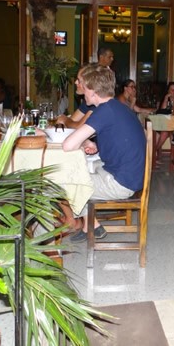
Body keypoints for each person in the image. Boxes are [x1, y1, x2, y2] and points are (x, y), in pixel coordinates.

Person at [62, 64, 146, 243]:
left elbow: (68, 145)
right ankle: (90, 224)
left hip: (121, 183)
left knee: (64, 181)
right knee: (81, 169)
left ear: (92, 91)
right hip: (129, 174)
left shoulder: (103, 112)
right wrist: (89, 143)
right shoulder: (116, 107)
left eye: (84, 88)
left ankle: (91, 223)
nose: (83, 94)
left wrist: (79, 141)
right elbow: (117, 137)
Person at [154, 81, 174, 160]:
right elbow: (161, 112)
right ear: (168, 91)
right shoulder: (166, 98)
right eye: (171, 89)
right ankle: (154, 151)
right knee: (165, 132)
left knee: (167, 132)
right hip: (168, 123)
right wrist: (166, 98)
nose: (173, 91)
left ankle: (154, 152)